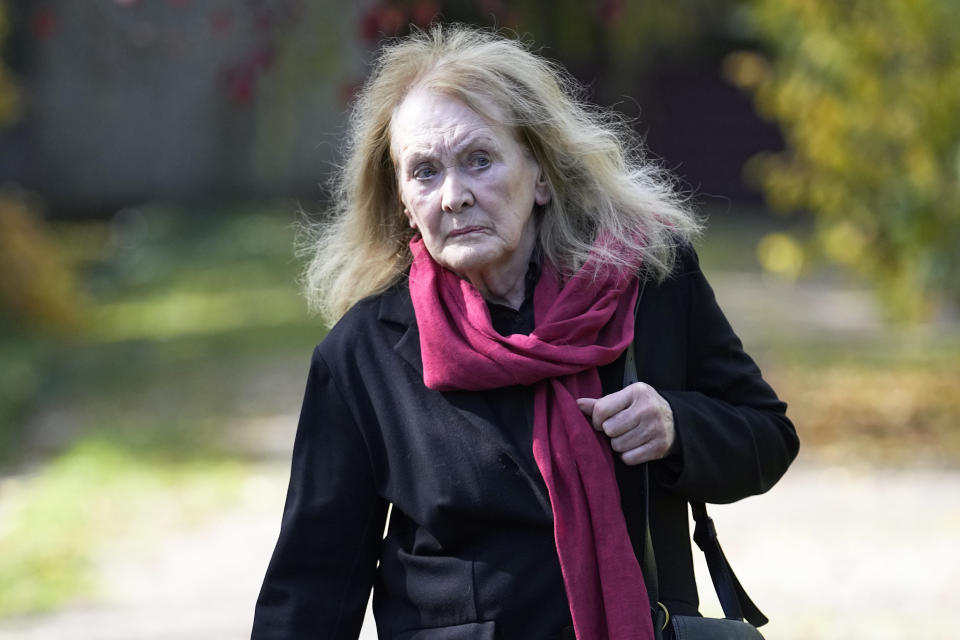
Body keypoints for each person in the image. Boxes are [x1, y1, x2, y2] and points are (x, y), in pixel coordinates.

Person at [252, 24, 798, 640]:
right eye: (424, 172)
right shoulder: (364, 352)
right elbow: (316, 576)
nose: (454, 196)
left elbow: (767, 437)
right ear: (404, 200)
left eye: (479, 160)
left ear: (540, 173)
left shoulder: (647, 282)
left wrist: (677, 427)